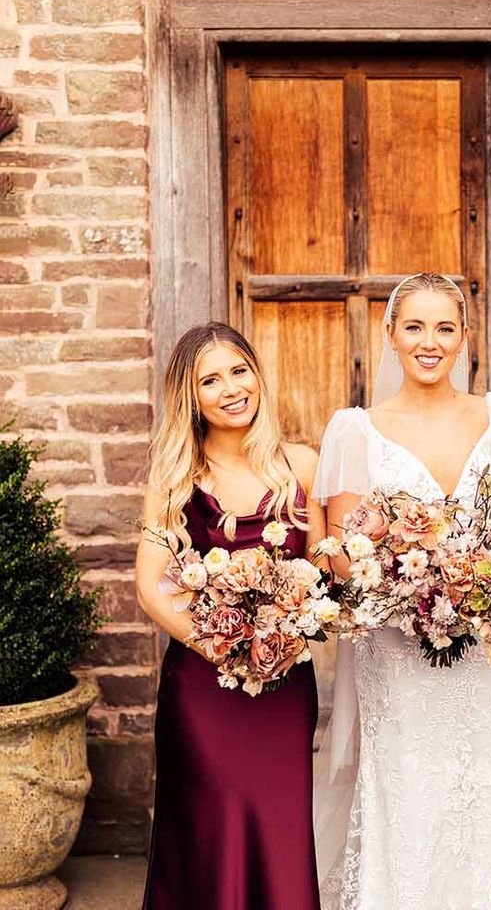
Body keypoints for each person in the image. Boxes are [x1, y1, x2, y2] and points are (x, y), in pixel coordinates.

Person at [312, 273, 491, 910]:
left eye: (445, 328)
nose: (430, 342)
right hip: (400, 645)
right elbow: (348, 556)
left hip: (487, 649)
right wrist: (416, 589)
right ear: (390, 336)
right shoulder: (356, 429)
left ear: (465, 339)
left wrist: (486, 585)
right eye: (415, 327)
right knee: (405, 784)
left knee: (480, 785)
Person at [137, 322, 323, 910]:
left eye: (239, 371)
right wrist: (227, 649)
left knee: (280, 828)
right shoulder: (175, 480)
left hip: (285, 688)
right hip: (204, 688)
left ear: (257, 376)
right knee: (208, 838)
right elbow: (149, 588)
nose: (230, 389)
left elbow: (324, 567)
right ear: (190, 397)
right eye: (210, 380)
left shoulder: (301, 465)